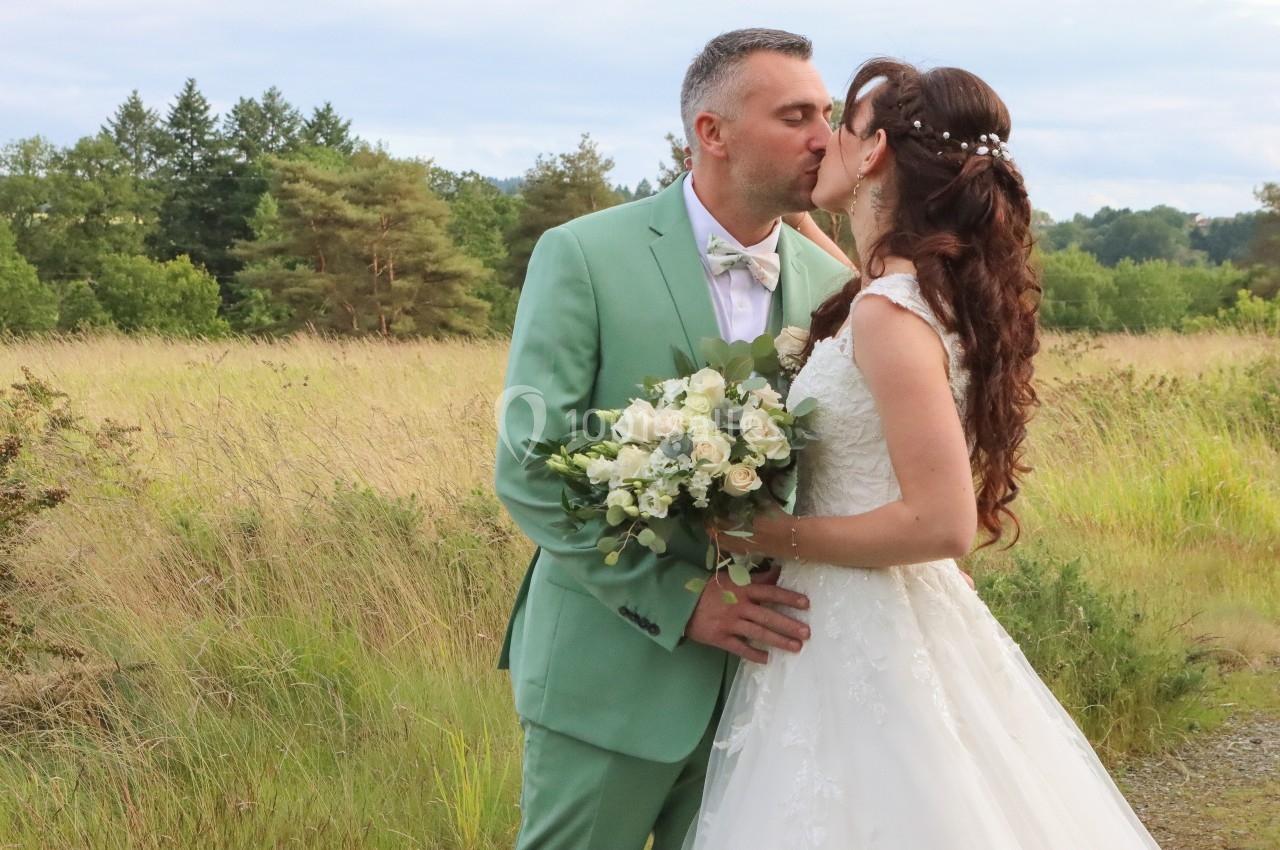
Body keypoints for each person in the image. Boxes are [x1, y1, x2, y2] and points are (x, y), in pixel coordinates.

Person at [683, 58, 1164, 849]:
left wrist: (770, 536)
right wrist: (798, 224)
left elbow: (942, 523)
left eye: (841, 124)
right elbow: (868, 322)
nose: (822, 141)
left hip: (855, 627)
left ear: (872, 153)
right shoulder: (903, 294)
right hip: (862, 616)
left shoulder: (886, 313)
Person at [494, 29, 856, 849]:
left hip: (773, 695)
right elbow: (528, 466)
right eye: (796, 114)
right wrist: (680, 603)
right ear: (712, 132)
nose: (823, 138)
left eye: (827, 115)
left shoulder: (835, 289)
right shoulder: (582, 253)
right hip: (608, 675)